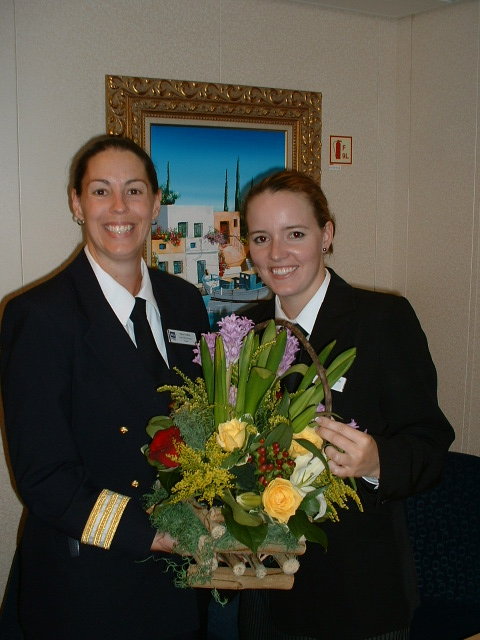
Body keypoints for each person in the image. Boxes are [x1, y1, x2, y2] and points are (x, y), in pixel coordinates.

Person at [0, 135, 211, 640]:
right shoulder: (40, 317)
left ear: (155, 204)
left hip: (183, 580)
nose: (119, 207)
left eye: (134, 191)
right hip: (88, 583)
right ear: (77, 204)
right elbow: (44, 477)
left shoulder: (185, 303)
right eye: (101, 191)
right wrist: (151, 533)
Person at [237, 170, 455, 640]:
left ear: (326, 234)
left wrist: (377, 460)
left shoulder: (382, 321)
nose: (277, 253)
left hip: (358, 595)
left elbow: (430, 445)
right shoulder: (242, 331)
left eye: (295, 234)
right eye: (261, 237)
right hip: (264, 593)